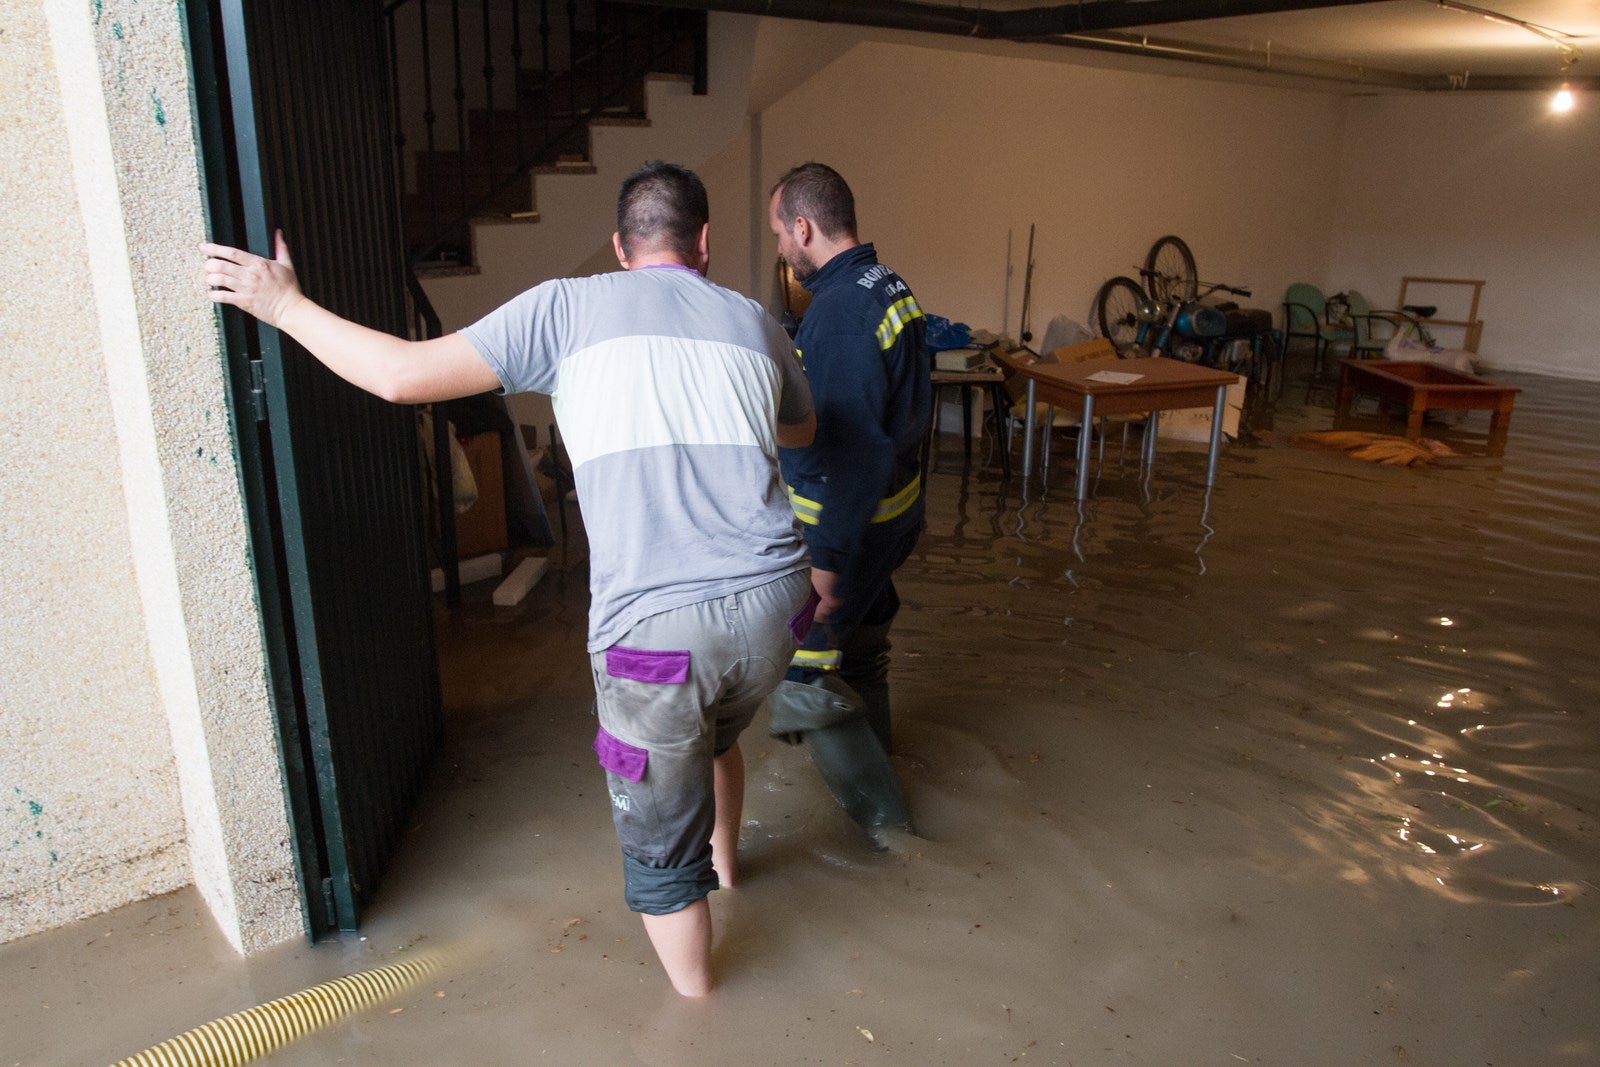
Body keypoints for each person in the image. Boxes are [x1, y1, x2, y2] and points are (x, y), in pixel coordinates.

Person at [202, 162, 816, 998]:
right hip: (781, 606)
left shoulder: (566, 307)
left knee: (658, 837)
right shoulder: (752, 319)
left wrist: (282, 304)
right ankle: (736, 877)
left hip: (658, 639)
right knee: (713, 734)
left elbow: (400, 376)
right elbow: (805, 423)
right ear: (704, 244)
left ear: (618, 247)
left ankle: (702, 1008)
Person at [764, 162, 929, 832]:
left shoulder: (837, 314)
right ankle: (884, 759)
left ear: (804, 227)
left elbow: (854, 448)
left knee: (800, 682)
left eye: (779, 232)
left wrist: (826, 561)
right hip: (893, 518)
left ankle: (893, 837)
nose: (779, 248)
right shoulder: (888, 285)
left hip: (849, 533)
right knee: (863, 650)